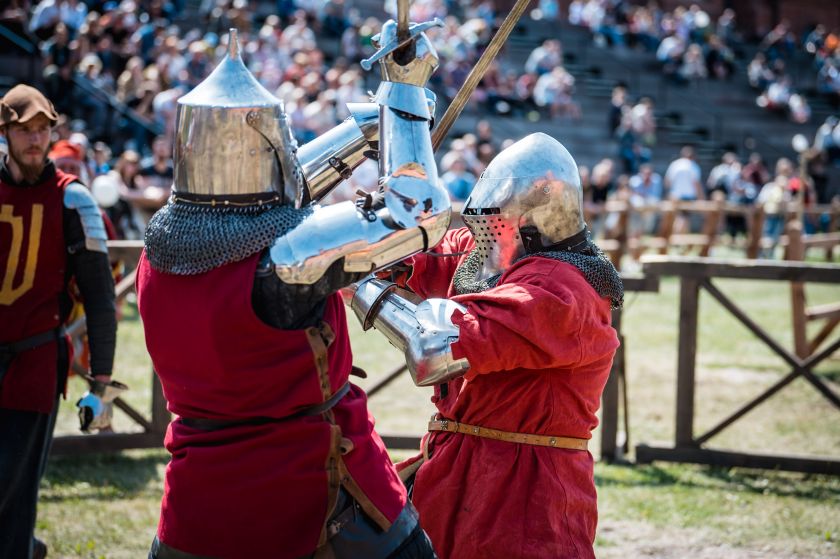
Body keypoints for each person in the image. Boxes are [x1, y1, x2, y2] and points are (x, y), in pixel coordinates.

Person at [136, 26, 445, 559]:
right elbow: (415, 212)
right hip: (315, 487)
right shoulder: (282, 257)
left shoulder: (161, 248)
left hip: (200, 500)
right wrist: (405, 92)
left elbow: (271, 192)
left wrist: (368, 127)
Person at [347, 133, 624, 559]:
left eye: (492, 222)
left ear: (532, 217)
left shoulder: (560, 291)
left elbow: (436, 351)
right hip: (457, 472)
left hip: (528, 492)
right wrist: (388, 230)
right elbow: (422, 253)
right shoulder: (493, 257)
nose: (482, 237)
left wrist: (359, 286)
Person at [0, 84, 117, 559]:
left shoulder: (73, 201)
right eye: (24, 130)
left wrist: (102, 381)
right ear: (5, 133)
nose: (34, 140)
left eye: (42, 130)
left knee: (14, 488)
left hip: (34, 364)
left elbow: (101, 299)